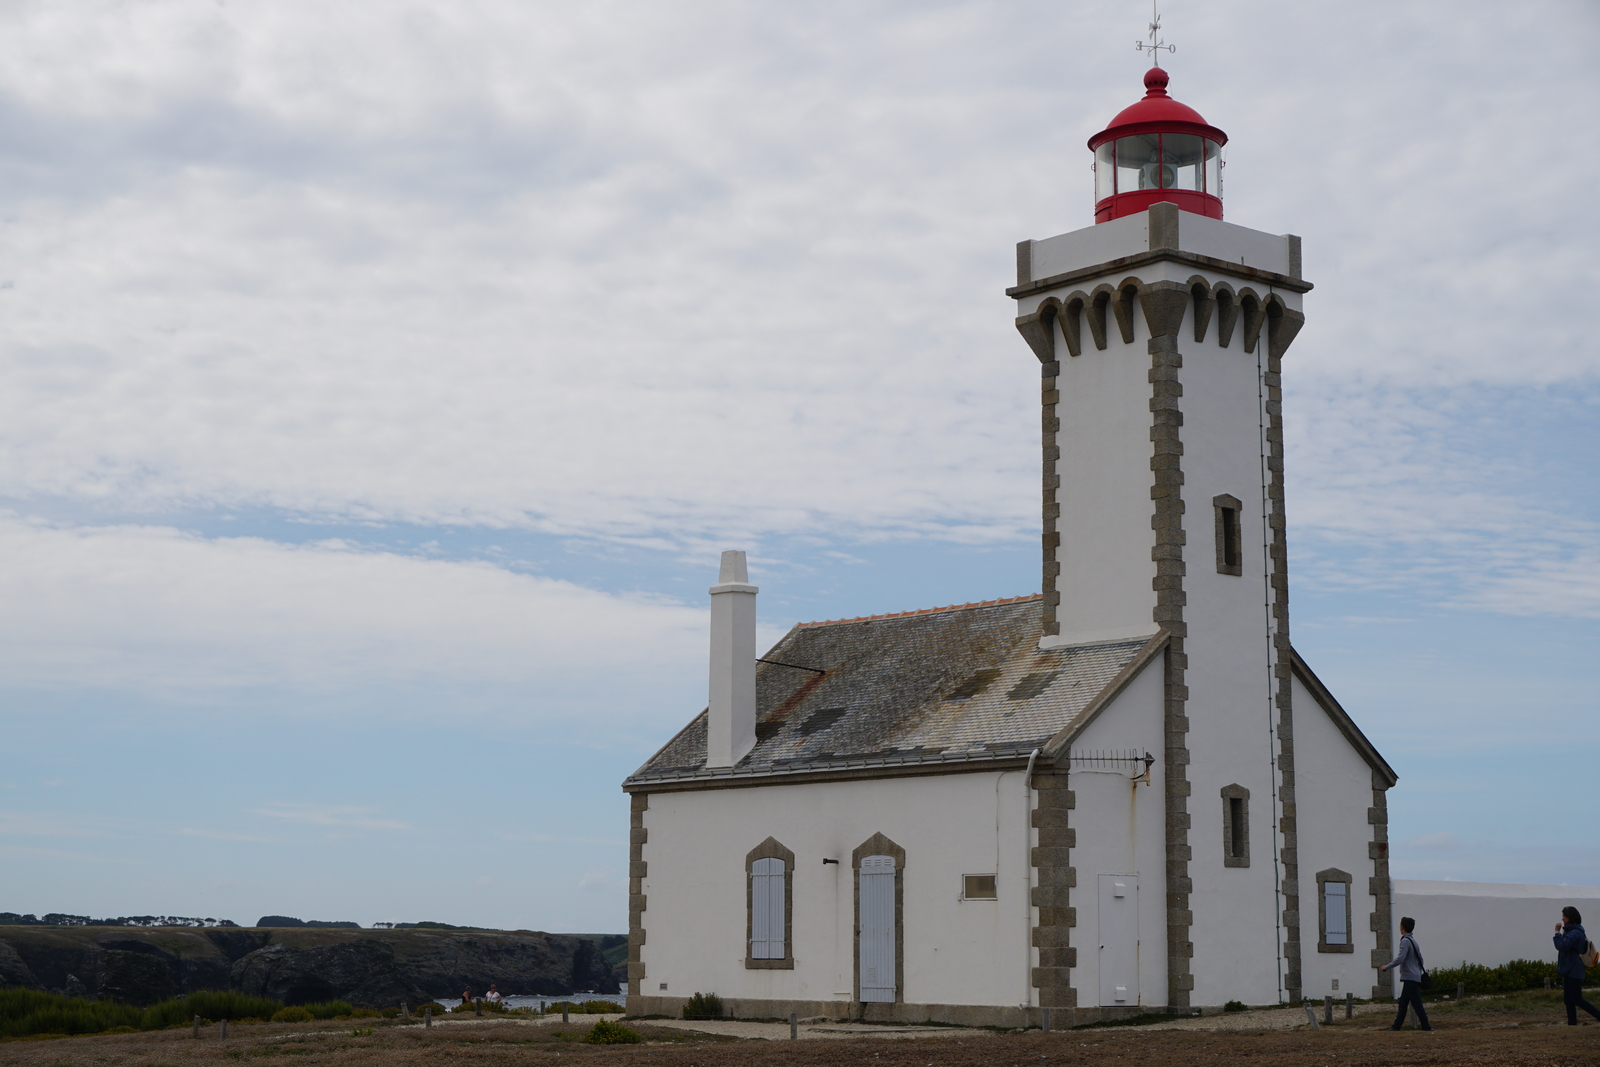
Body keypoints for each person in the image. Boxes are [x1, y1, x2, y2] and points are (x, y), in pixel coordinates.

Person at [1379, 915, 1432, 1031]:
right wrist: (1416, 972)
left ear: (1402, 927)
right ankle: (1396, 1026)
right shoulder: (1414, 942)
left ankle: (1426, 1026)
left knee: (1416, 1003)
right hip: (1414, 976)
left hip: (1409, 976)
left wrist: (1386, 967)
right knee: (1403, 1002)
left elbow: (1400, 959)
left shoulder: (1405, 942)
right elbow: (1420, 960)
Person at [1554, 906, 1600, 1026]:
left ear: (1569, 918)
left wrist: (1556, 933)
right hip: (1570, 969)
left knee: (1577, 999)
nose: (1562, 918)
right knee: (1568, 1000)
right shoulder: (1572, 932)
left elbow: (1562, 946)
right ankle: (1572, 1023)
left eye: (1564, 916)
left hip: (1574, 969)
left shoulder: (1574, 933)